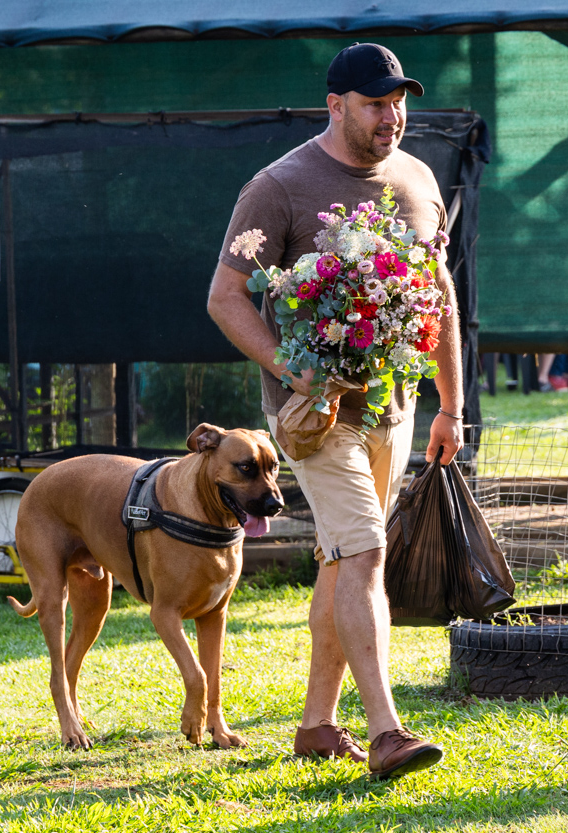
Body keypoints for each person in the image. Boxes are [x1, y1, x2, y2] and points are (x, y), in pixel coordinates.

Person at [207, 42, 464, 781]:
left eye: (399, 101)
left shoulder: (416, 179)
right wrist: (292, 368)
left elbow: (438, 296)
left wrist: (451, 403)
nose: (393, 115)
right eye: (377, 102)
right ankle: (387, 731)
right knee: (365, 551)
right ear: (336, 104)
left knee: (341, 558)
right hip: (314, 417)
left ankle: (317, 724)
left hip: (397, 408)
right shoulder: (278, 187)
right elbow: (225, 297)